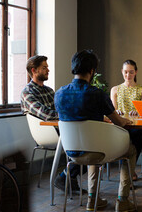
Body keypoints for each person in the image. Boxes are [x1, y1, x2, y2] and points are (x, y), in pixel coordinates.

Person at [55, 50, 137, 212]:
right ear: (92, 71)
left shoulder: (59, 94)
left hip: (71, 152)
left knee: (92, 142)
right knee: (131, 149)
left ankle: (92, 200)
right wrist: (125, 120)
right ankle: (122, 200)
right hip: (96, 151)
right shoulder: (97, 94)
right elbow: (119, 122)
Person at [20, 55, 86, 193]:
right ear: (34, 70)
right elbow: (46, 114)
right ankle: (66, 178)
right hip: (46, 134)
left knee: (87, 139)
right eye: (44, 68)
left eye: (47, 67)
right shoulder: (27, 92)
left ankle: (68, 177)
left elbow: (61, 109)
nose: (48, 70)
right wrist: (69, 114)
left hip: (61, 129)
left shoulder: (50, 91)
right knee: (84, 141)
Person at [110, 59, 142, 181]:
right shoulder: (115, 89)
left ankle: (129, 169)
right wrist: (117, 112)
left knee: (139, 133)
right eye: (126, 72)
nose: (128, 75)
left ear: (136, 72)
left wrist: (138, 112)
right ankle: (128, 171)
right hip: (120, 125)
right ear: (122, 72)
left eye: (131, 72)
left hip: (136, 126)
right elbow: (112, 111)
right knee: (125, 136)